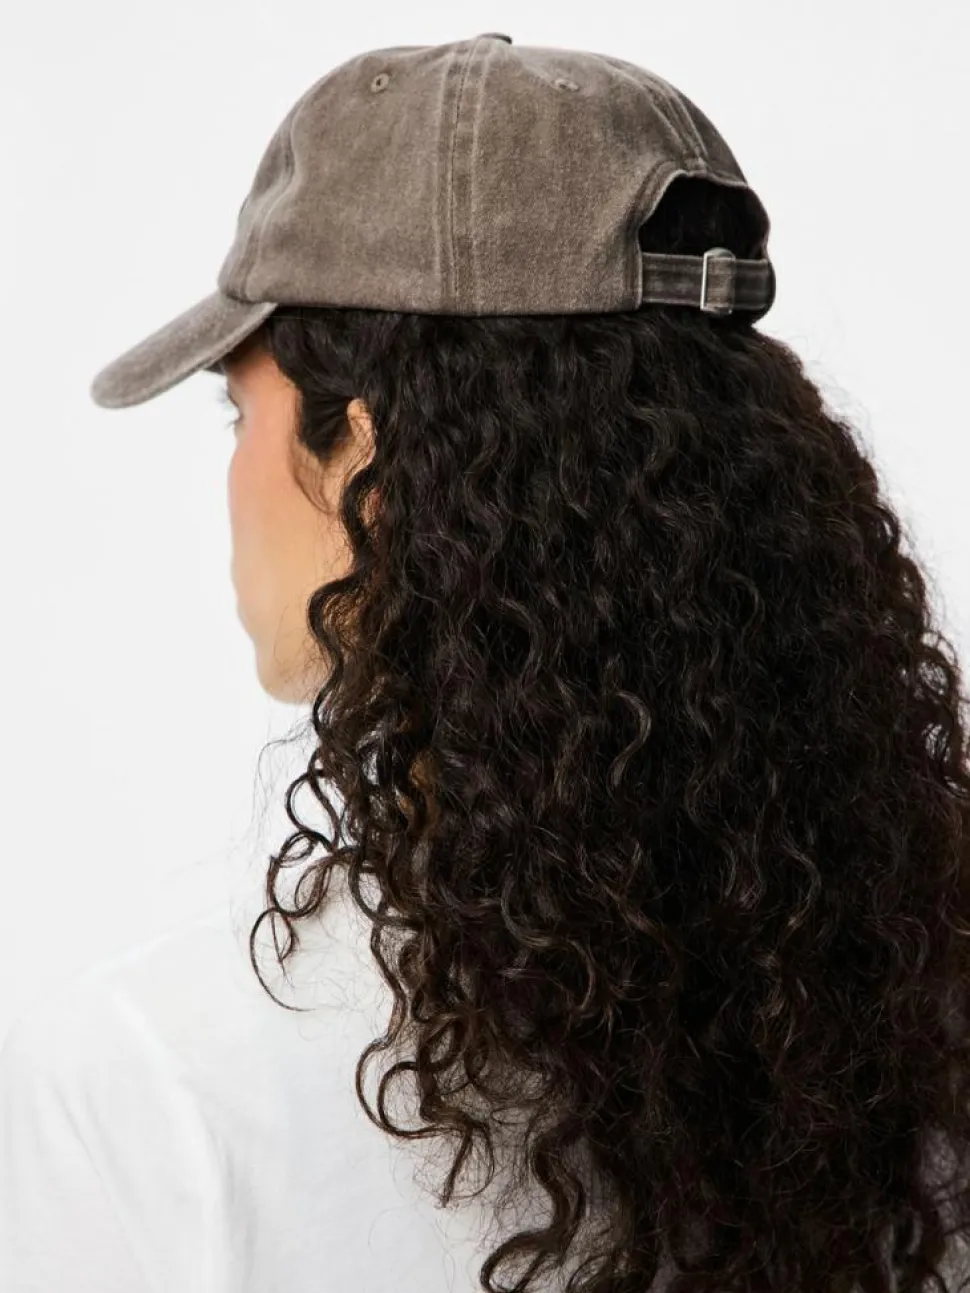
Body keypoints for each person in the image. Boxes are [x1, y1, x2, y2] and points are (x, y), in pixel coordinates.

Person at [3, 30, 970, 1293]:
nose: (232, 474)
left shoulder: (151, 1093)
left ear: (364, 461)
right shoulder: (917, 998)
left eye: (239, 413)